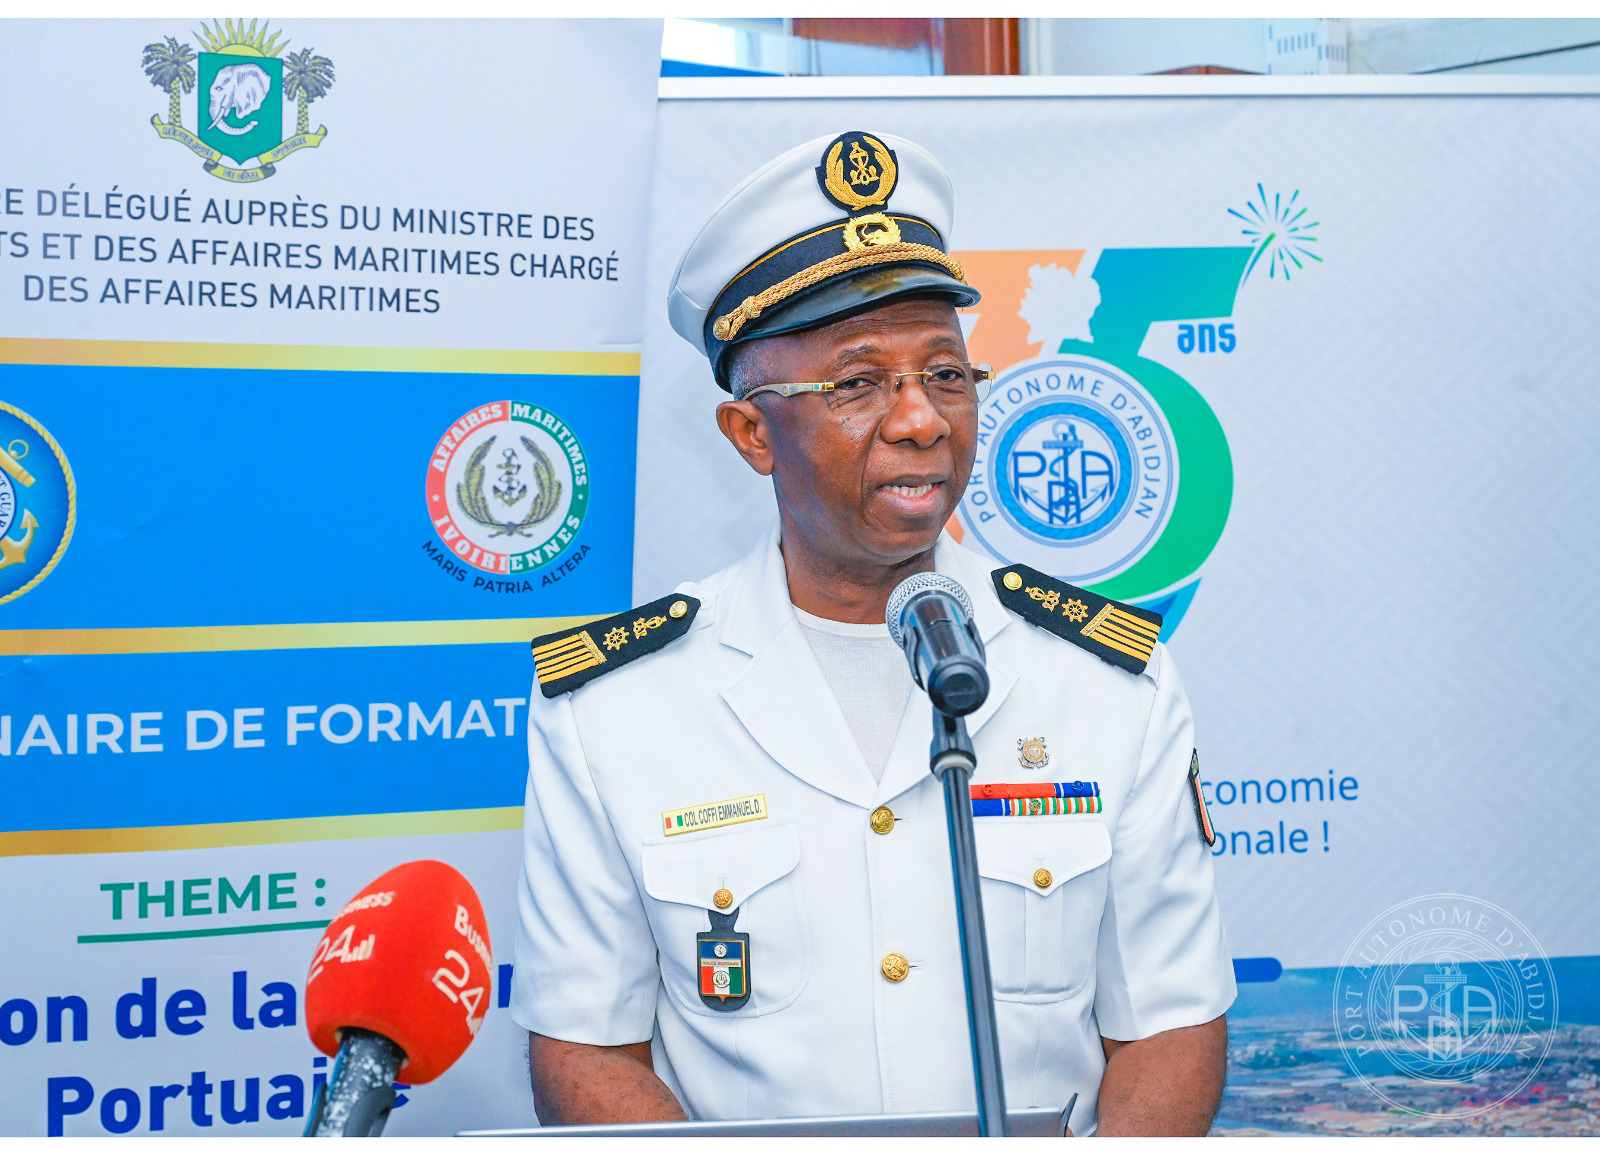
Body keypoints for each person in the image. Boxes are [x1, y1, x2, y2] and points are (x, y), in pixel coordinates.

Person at [510, 130, 1233, 1135]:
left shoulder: (1108, 683)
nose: (921, 420)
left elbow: (1169, 1024)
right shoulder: (615, 709)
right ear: (752, 433)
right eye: (856, 384)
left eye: (946, 374)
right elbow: (586, 1048)